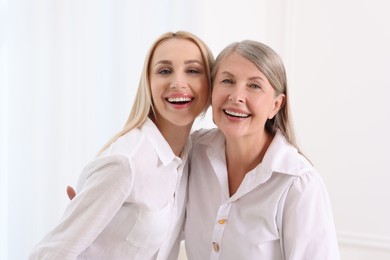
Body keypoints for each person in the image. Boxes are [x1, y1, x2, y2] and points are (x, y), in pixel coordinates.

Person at [29, 31, 214, 260]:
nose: (178, 82)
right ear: (148, 83)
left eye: (193, 70)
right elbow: (51, 254)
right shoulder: (126, 162)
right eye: (164, 71)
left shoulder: (193, 155)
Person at [184, 40, 340, 259]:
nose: (236, 96)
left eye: (254, 85)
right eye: (227, 80)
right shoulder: (194, 153)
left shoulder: (297, 184)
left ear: (276, 105)